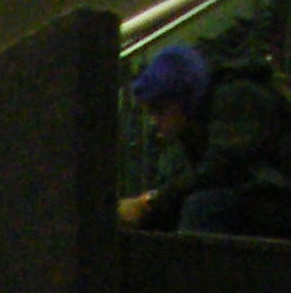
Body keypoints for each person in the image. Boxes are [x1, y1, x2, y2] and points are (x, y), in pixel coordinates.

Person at [121, 37, 291, 238]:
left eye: (159, 110)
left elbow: (221, 170)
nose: (154, 122)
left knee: (201, 209)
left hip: (277, 199)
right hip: (265, 199)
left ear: (181, 100)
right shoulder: (202, 121)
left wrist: (150, 203)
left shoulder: (238, 98)